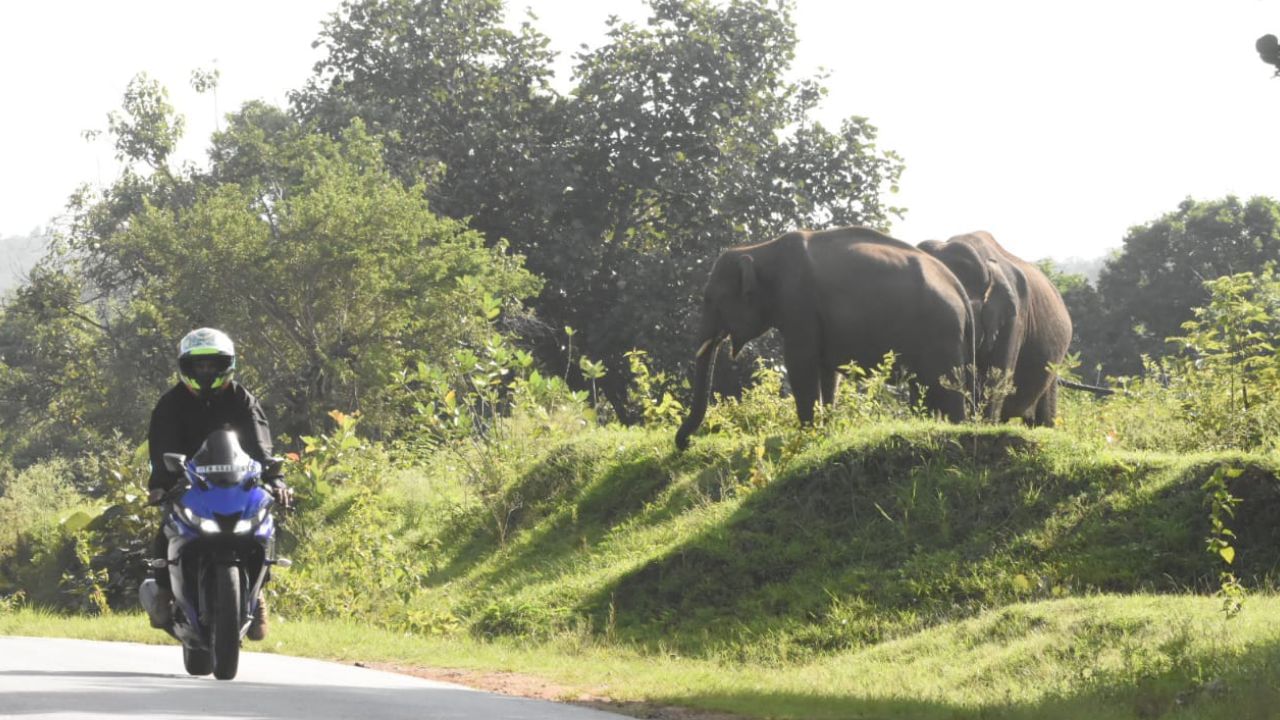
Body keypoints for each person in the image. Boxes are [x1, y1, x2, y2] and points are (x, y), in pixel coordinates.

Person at [145, 327, 292, 640]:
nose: (206, 371)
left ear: (227, 364)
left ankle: (259, 593)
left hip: (235, 484)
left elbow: (260, 444)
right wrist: (160, 484)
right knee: (166, 528)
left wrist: (275, 478)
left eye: (213, 364)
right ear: (187, 367)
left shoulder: (242, 398)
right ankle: (162, 590)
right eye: (200, 365)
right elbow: (159, 446)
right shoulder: (171, 403)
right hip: (188, 484)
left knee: (262, 529)